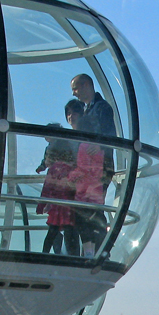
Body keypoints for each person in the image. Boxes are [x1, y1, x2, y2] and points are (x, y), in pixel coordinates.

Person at [64, 99, 107, 257]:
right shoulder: (97, 148)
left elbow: (82, 168)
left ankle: (85, 252)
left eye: (74, 112)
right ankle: (101, 251)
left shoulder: (82, 146)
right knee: (95, 219)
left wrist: (70, 177)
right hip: (95, 191)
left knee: (80, 221)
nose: (71, 116)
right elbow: (97, 169)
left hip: (81, 191)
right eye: (68, 113)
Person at [35, 125, 79, 255]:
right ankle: (73, 255)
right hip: (69, 205)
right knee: (69, 229)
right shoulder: (72, 169)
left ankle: (45, 254)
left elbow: (47, 188)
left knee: (53, 230)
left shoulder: (54, 169)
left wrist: (41, 206)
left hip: (57, 205)